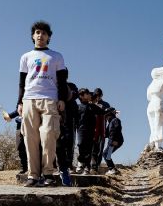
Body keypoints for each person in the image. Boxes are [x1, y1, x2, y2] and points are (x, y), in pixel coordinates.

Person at [17, 21, 68, 187]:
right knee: (29, 137)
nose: (40, 35)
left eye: (44, 33)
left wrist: (62, 99)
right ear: (33, 36)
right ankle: (32, 175)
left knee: (49, 134)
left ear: (49, 37)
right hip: (29, 99)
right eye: (38, 32)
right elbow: (21, 82)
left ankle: (48, 173)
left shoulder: (57, 56)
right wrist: (19, 102)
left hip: (50, 99)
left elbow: (62, 80)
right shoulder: (25, 57)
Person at [76, 88, 107, 175]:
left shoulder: (93, 106)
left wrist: (110, 110)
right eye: (87, 93)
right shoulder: (78, 107)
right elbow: (74, 117)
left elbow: (102, 112)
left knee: (89, 148)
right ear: (81, 96)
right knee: (81, 144)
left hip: (91, 130)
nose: (89, 95)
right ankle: (80, 161)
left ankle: (87, 167)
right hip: (81, 130)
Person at [90, 88, 110, 172]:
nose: (98, 97)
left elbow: (109, 117)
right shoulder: (91, 103)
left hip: (102, 129)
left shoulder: (106, 104)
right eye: (96, 95)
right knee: (92, 148)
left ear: (102, 95)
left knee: (100, 148)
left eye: (99, 95)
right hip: (91, 129)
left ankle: (97, 165)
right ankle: (92, 165)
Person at [103, 107, 123, 175]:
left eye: (106, 115)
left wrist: (115, 140)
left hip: (115, 141)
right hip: (112, 141)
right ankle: (114, 170)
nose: (106, 117)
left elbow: (118, 130)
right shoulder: (110, 123)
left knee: (106, 154)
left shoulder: (115, 120)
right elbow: (106, 134)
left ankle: (112, 169)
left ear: (110, 115)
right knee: (107, 154)